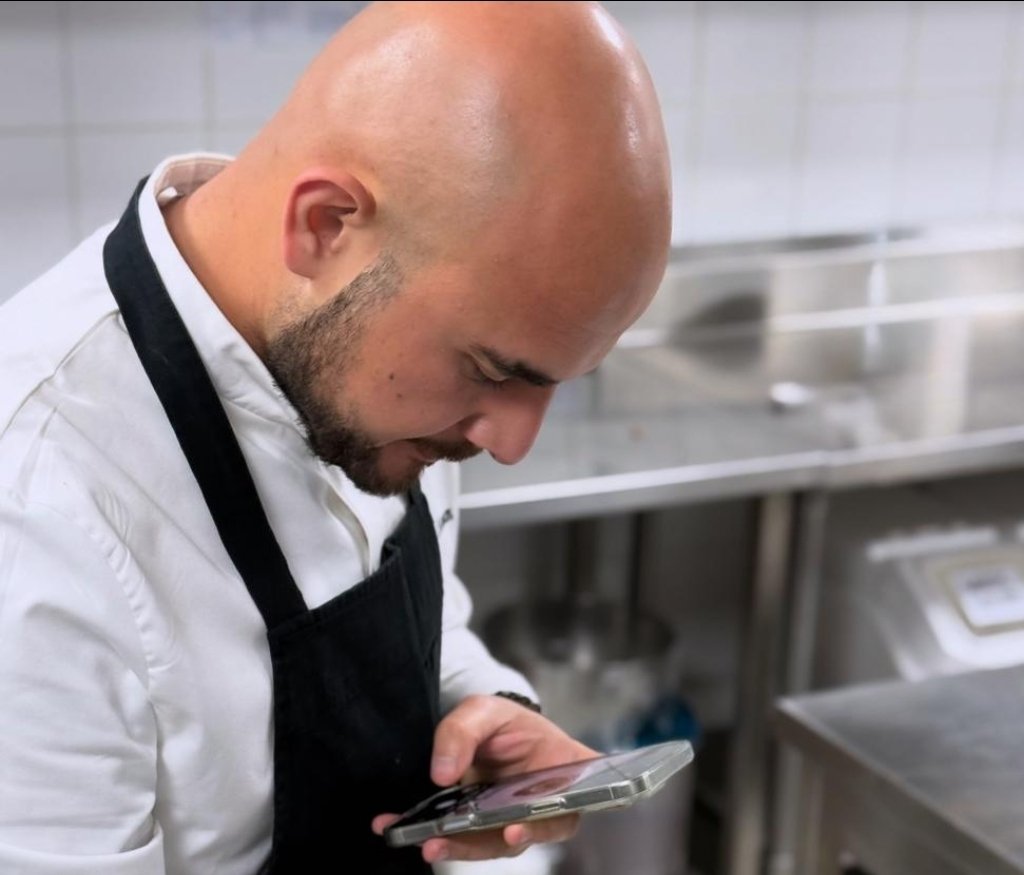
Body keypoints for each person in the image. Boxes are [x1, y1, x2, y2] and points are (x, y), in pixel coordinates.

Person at [0, 1, 671, 872]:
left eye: (550, 383)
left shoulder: (378, 363)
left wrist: (482, 702)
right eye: (489, 368)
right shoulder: (40, 508)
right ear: (324, 225)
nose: (512, 444)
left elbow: (417, 609)